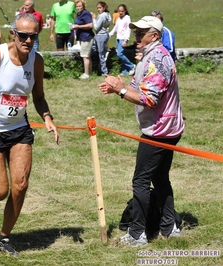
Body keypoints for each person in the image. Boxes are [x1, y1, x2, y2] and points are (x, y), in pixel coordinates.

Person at [0, 13, 60, 257]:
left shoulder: (36, 61)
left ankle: (4, 238)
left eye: (33, 36)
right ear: (13, 34)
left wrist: (47, 117)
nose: (27, 40)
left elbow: (38, 96)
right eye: (23, 35)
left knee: (21, 185)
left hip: (19, 130)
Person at [99, 16, 184, 246]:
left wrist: (121, 91)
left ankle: (137, 234)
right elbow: (143, 86)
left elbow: (149, 99)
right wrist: (122, 86)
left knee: (141, 181)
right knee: (159, 177)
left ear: (154, 35)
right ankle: (169, 227)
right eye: (136, 31)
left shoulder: (156, 59)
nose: (137, 35)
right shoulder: (152, 56)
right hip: (170, 128)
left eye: (142, 32)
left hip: (158, 131)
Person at [109, 4, 135, 76]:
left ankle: (132, 66)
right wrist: (110, 34)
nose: (120, 12)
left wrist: (126, 40)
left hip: (123, 38)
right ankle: (125, 71)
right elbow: (115, 28)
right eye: (119, 11)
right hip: (118, 38)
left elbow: (128, 30)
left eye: (122, 11)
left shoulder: (127, 18)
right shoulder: (119, 19)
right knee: (121, 54)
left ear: (125, 11)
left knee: (119, 54)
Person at [72, 0, 94, 79]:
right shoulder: (79, 14)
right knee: (87, 55)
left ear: (83, 6)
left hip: (86, 37)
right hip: (82, 37)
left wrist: (78, 27)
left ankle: (86, 73)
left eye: (80, 6)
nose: (78, 8)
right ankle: (90, 72)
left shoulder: (85, 13)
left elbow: (91, 25)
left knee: (85, 56)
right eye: (77, 6)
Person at [92, 1, 111, 76]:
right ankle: (100, 68)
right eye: (97, 8)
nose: (98, 9)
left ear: (103, 8)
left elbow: (96, 27)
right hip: (105, 34)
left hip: (100, 35)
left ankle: (104, 71)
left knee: (101, 54)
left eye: (100, 8)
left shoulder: (102, 16)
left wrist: (94, 19)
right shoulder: (107, 15)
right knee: (100, 52)